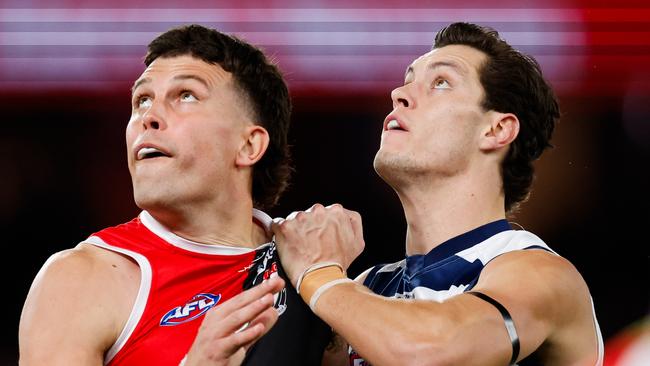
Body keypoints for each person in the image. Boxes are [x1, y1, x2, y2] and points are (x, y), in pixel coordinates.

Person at [272, 22, 604, 365]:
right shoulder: (367, 288)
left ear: (497, 129)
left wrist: (318, 273)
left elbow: (429, 352)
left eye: (441, 83)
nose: (398, 94)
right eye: (407, 80)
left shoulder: (540, 274)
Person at [18, 24, 330, 366]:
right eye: (142, 100)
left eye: (186, 96)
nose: (148, 117)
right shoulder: (84, 278)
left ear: (248, 144)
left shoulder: (312, 263)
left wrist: (330, 280)